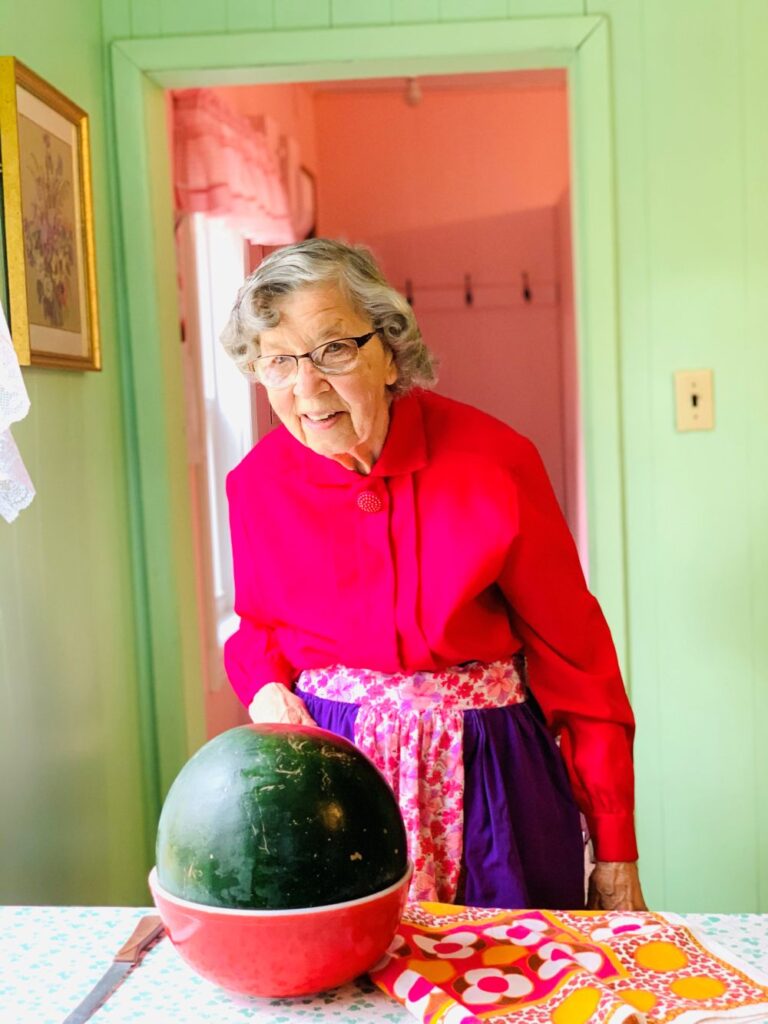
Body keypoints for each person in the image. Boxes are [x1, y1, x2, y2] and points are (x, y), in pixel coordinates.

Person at [220, 238, 646, 912]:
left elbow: (578, 662)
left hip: (494, 781)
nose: (306, 388)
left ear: (389, 351)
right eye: (278, 361)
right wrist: (265, 688)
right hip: (333, 786)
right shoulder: (255, 485)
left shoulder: (496, 463)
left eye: (333, 350)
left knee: (517, 992)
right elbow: (257, 631)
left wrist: (616, 851)